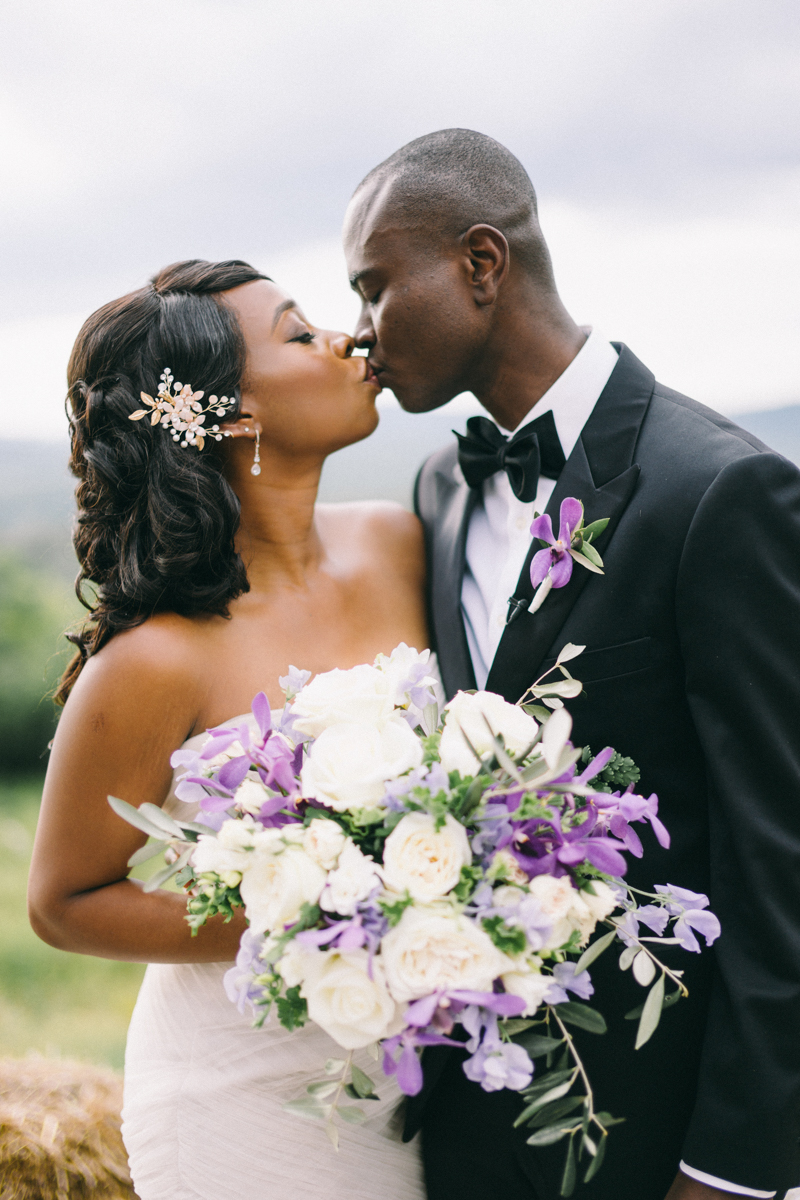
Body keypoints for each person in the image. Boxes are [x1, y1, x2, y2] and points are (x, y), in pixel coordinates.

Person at [343, 129, 800, 1200]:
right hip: (472, 1124)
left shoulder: (720, 493)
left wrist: (730, 1172)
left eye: (373, 288)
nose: (360, 333)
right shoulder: (440, 492)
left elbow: (778, 856)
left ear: (480, 263)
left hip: (656, 1132)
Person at [27, 259, 429, 1200]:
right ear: (236, 414)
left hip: (419, 1078)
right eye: (300, 333)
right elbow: (63, 901)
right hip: (245, 1097)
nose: (347, 338)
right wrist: (316, 925)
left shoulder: (398, 542)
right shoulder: (155, 661)